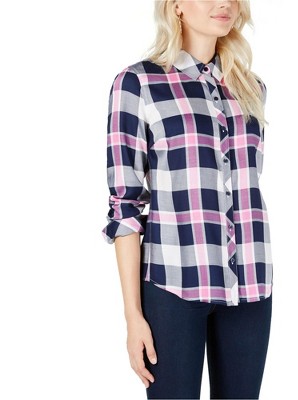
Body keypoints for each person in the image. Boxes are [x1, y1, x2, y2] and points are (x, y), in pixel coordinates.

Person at [101, 0, 274, 398]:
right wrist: (133, 316)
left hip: (250, 282)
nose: (224, 3)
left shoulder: (252, 88)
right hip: (173, 286)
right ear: (176, 5)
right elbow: (125, 205)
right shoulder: (138, 83)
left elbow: (246, 184)